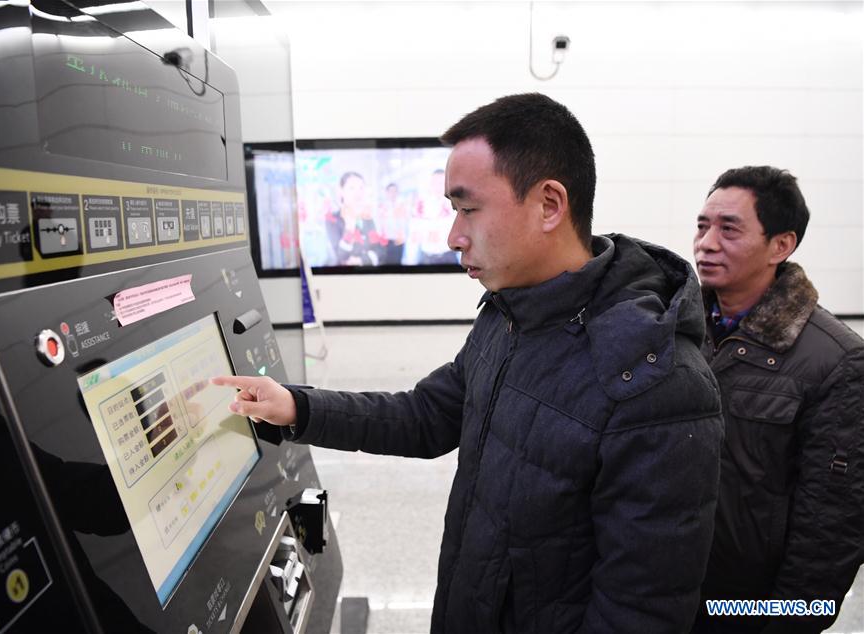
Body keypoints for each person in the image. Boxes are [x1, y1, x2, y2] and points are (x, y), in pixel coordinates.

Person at [213, 93, 724, 633]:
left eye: (468, 208)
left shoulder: (656, 382)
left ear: (550, 205)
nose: (453, 237)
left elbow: (640, 613)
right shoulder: (512, 312)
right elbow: (428, 415)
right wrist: (295, 406)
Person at [690, 166, 864, 633]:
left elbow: (830, 530)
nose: (706, 243)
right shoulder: (677, 334)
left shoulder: (837, 361)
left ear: (781, 245)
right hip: (665, 592)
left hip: (742, 610)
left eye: (729, 229)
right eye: (702, 226)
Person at [324, 171, 386, 266]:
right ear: (341, 191)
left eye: (361, 188)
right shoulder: (332, 219)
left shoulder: (367, 218)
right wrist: (350, 227)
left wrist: (362, 260)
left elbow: (380, 250)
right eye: (352, 188)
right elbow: (341, 257)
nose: (358, 193)